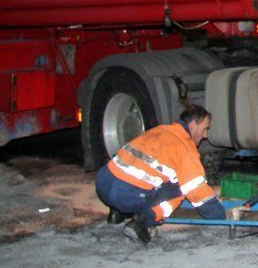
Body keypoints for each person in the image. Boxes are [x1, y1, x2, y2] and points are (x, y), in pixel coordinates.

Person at [95, 104, 226, 243]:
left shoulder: (159, 130)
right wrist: (220, 215)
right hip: (127, 196)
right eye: (205, 129)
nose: (205, 135)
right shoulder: (185, 147)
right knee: (182, 187)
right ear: (193, 124)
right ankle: (142, 222)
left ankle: (117, 213)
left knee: (132, 177)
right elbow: (197, 192)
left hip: (104, 184)